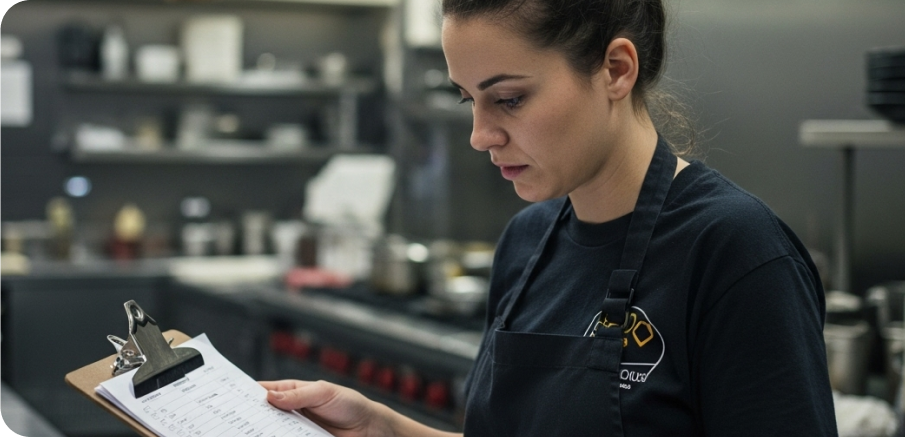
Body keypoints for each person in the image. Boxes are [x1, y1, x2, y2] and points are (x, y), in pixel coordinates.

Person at [260, 0, 839, 435]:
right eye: (469, 99)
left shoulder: (737, 252)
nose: (480, 135)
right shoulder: (528, 241)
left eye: (508, 98)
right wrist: (383, 427)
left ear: (615, 69)